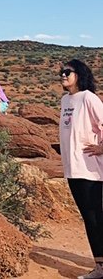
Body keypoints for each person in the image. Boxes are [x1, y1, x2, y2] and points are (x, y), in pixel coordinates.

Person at [59, 59, 103, 279]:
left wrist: (102, 147)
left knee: (96, 216)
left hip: (90, 169)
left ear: (79, 74)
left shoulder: (88, 98)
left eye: (68, 72)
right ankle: (99, 265)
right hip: (72, 168)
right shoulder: (66, 100)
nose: (63, 75)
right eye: (62, 72)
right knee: (88, 216)